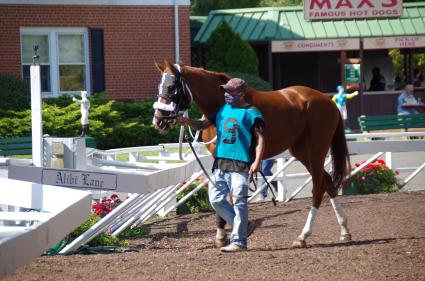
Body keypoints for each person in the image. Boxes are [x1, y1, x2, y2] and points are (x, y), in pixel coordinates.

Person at [177, 78, 265, 252]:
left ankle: (239, 242)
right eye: (225, 91)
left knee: (240, 203)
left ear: (241, 94)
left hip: (241, 164)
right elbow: (203, 125)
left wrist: (257, 161)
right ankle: (244, 226)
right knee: (216, 200)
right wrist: (188, 122)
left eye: (231, 92)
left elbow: (261, 140)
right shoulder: (223, 110)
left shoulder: (252, 113)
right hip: (220, 164)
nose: (227, 95)